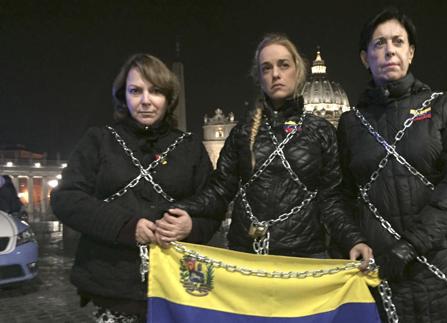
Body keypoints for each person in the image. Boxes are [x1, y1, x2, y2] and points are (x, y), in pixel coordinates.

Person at [167, 34, 372, 266]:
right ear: (259, 78)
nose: (276, 74)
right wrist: (179, 209)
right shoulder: (243, 132)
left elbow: (332, 200)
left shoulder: (322, 131)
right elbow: (219, 191)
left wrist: (353, 240)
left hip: (304, 257)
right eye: (267, 68)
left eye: (284, 65)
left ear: (298, 70)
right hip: (247, 254)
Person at [50, 54, 221, 322]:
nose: (145, 100)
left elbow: (213, 207)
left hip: (177, 283)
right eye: (135, 90)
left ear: (169, 98)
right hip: (113, 282)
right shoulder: (99, 140)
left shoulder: (190, 147)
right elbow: (66, 199)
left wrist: (191, 226)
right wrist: (126, 227)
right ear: (123, 96)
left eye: (155, 91)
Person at [337, 7, 447, 322]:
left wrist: (411, 245)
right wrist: (352, 239)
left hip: (436, 260)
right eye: (379, 43)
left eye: (398, 42)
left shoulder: (442, 107)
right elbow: (341, 193)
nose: (389, 50)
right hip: (379, 265)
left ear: (410, 52)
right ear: (365, 57)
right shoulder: (350, 123)